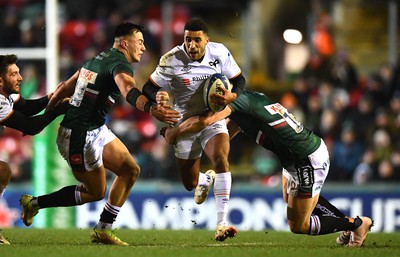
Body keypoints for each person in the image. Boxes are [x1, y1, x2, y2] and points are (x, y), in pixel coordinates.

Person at [19, 22, 180, 246]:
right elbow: (127, 90)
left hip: (94, 129)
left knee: (130, 170)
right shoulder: (120, 64)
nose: (143, 47)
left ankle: (104, 229)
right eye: (140, 42)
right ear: (125, 43)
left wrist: (47, 115)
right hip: (79, 136)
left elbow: (66, 86)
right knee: (95, 192)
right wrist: (151, 109)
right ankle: (34, 203)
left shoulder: (97, 59)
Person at [159, 89, 374, 247]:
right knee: (292, 200)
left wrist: (174, 133)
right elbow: (222, 134)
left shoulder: (241, 102)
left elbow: (206, 121)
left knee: (298, 225)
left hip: (306, 158)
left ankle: (356, 224)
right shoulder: (245, 103)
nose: (215, 100)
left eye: (217, 95)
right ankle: (349, 226)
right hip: (293, 157)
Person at [141, 18, 246, 241]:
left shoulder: (220, 52)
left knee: (221, 158)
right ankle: (203, 180)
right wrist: (157, 95)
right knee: (189, 184)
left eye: (197, 40)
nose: (192, 45)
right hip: (183, 121)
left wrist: (232, 96)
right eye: (188, 39)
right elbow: (149, 87)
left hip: (211, 117)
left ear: (207, 40)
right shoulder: (171, 59)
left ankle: (221, 223)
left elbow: (239, 80)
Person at [0, 54, 68, 245]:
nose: (20, 78)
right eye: (14, 74)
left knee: (3, 171)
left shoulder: (8, 94)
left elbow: (28, 108)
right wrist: (58, 109)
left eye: (19, 73)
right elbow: (30, 127)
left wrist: (52, 97)